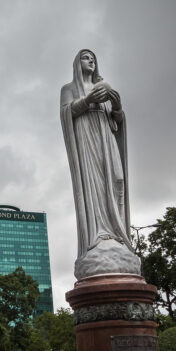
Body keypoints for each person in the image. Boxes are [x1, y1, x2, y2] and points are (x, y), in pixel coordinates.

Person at [60, 49, 139, 277]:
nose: (91, 60)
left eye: (93, 58)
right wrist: (87, 100)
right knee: (94, 185)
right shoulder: (69, 89)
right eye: (86, 57)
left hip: (106, 138)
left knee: (117, 180)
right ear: (78, 63)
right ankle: (99, 234)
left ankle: (117, 233)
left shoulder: (105, 86)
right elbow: (66, 113)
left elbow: (117, 122)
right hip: (87, 142)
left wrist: (117, 107)